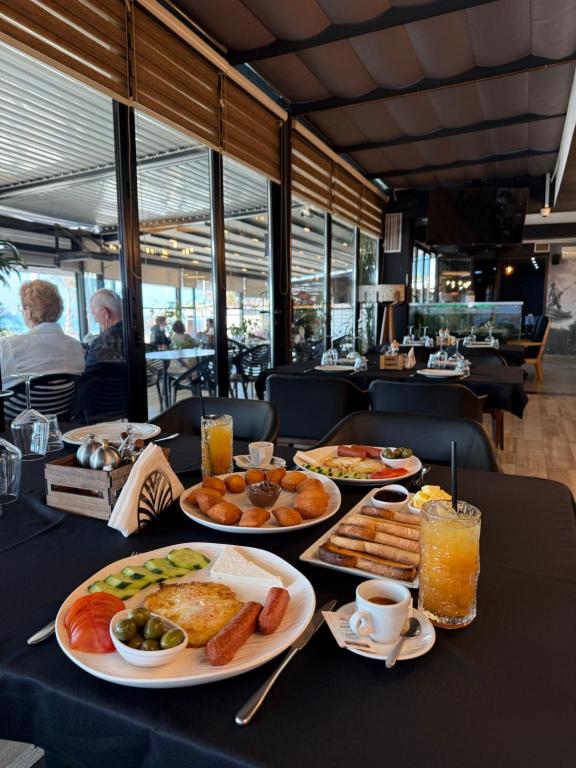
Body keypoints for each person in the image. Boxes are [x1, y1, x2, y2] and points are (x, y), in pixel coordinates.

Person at [0, 279, 85, 388]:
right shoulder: (76, 347)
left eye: (22, 307)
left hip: (22, 405)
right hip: (61, 405)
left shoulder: (8, 347)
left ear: (28, 312)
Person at [85, 288, 124, 368]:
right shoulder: (134, 335)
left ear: (105, 313)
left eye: (94, 314)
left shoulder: (101, 344)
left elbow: (89, 377)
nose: (95, 320)